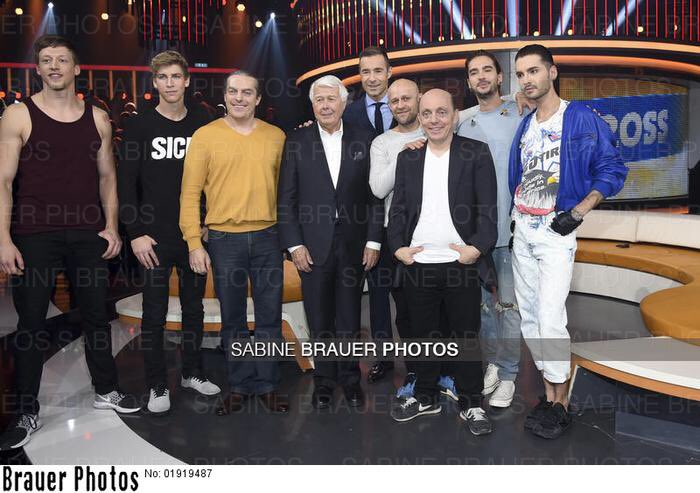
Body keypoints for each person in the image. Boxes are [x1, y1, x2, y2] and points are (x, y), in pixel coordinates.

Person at [0, 35, 140, 450]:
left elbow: (108, 177)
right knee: (31, 324)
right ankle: (26, 410)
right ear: (38, 69)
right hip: (34, 232)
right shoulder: (18, 115)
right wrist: (3, 239)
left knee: (97, 317)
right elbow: (3, 181)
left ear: (76, 68)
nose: (54, 66)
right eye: (46, 60)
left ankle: (106, 390)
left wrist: (111, 227)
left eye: (62, 60)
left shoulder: (98, 118)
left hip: (86, 232)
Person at [510, 44, 627, 439]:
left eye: (533, 71)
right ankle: (549, 394)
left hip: (555, 231)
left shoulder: (578, 117)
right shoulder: (526, 124)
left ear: (552, 72)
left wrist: (578, 212)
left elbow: (612, 169)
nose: (527, 80)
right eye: (521, 74)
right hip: (522, 230)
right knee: (529, 318)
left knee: (549, 317)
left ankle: (562, 400)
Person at [387, 89, 497, 436]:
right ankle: (426, 396)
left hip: (460, 263)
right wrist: (398, 248)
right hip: (418, 263)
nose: (434, 120)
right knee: (423, 336)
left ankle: (472, 402)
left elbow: (488, 209)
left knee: (466, 336)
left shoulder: (475, 152)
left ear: (454, 115)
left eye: (441, 112)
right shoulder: (408, 158)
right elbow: (398, 209)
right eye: (427, 113)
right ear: (420, 118)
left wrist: (476, 248)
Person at [117, 50, 220, 415]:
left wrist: (208, 222)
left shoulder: (204, 121)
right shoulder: (139, 126)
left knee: (194, 309)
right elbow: (125, 184)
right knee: (154, 313)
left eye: (176, 76)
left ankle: (191, 372)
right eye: (163, 77)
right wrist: (135, 233)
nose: (170, 83)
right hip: (153, 239)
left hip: (194, 236)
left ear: (187, 80)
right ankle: (157, 383)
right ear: (155, 82)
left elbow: (216, 177)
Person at [180, 70, 288, 415]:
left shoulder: (276, 137)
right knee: (233, 319)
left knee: (270, 317)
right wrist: (194, 242)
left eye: (247, 92)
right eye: (233, 92)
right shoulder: (205, 136)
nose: (239, 98)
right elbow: (189, 194)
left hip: (269, 237)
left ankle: (268, 384)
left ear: (258, 98)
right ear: (224, 96)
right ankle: (240, 385)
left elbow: (288, 192)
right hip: (224, 241)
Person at [277, 75, 383, 410]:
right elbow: (286, 199)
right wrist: (294, 245)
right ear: (313, 105)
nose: (325, 105)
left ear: (343, 102)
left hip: (354, 244)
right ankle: (324, 381)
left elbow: (375, 197)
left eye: (331, 99)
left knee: (349, 318)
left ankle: (350, 379)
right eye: (319, 100)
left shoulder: (366, 139)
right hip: (311, 247)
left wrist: (374, 241)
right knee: (319, 317)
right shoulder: (296, 141)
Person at [456, 50, 525, 409]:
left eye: (487, 70)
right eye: (474, 72)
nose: (481, 76)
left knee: (509, 308)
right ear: (468, 82)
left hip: (512, 233)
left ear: (500, 77)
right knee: (483, 309)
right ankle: (495, 364)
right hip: (476, 236)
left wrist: (521, 95)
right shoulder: (461, 122)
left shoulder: (521, 112)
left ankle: (509, 375)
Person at [343, 46, 397, 383]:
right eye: (366, 72)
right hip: (366, 220)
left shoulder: (409, 105)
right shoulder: (347, 114)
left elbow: (454, 116)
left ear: (389, 72)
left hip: (409, 219)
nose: (372, 78)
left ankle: (423, 361)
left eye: (378, 70)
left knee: (411, 295)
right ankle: (384, 356)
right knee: (376, 295)